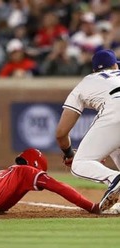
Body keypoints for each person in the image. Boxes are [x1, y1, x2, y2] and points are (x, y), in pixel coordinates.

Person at [56, 49, 120, 212]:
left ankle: (114, 178)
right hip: (114, 115)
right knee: (115, 147)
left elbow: (61, 133)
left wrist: (70, 154)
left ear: (94, 70)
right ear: (114, 66)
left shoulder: (87, 81)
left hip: (115, 111)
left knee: (80, 164)